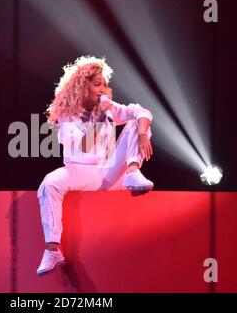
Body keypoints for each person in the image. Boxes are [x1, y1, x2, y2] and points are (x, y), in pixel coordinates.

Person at [36, 56, 154, 276]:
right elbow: (83, 144)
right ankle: (52, 250)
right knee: (49, 183)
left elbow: (142, 111)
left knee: (136, 122)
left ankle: (132, 171)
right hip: (79, 171)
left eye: (105, 84)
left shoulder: (108, 108)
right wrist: (101, 114)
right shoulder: (67, 113)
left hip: (108, 172)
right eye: (97, 84)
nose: (103, 89)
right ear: (83, 86)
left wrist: (140, 132)